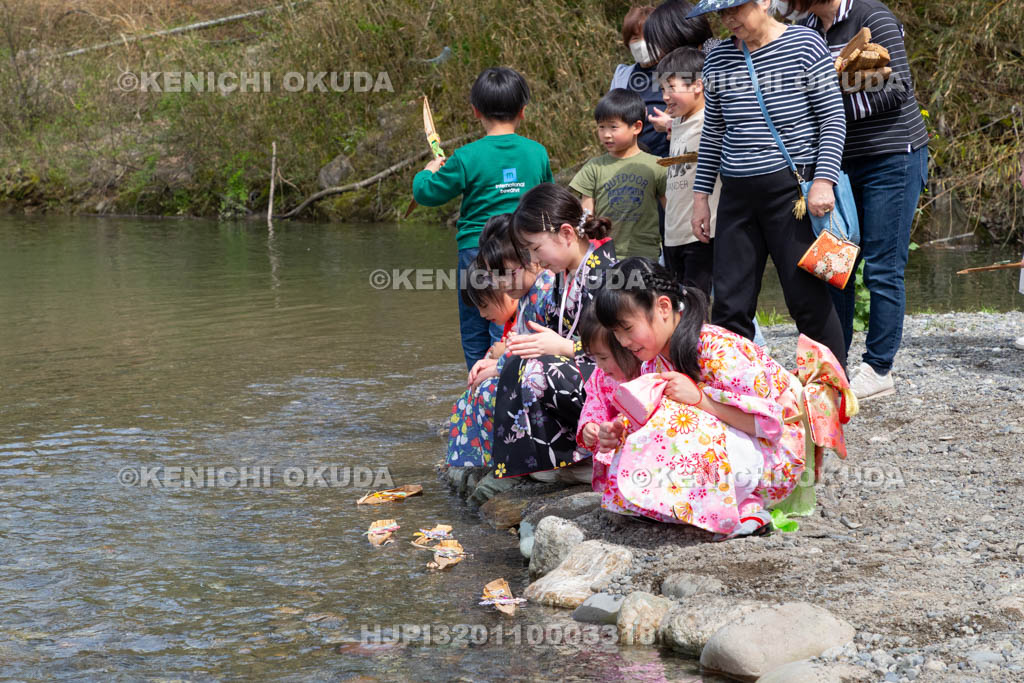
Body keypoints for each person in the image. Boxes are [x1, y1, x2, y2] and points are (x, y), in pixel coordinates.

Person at [593, 258, 807, 538]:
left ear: (663, 308)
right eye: (616, 333)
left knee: (677, 421)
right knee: (635, 441)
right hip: (733, 452)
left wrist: (699, 401)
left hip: (774, 459)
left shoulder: (716, 348)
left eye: (628, 329)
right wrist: (619, 430)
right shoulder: (651, 362)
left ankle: (747, 505)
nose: (622, 342)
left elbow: (771, 425)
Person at [780, 0, 928, 400]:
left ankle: (879, 367)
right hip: (837, 164)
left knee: (882, 266)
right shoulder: (807, 28)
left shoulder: (871, 16)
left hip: (892, 156)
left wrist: (831, 93)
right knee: (835, 260)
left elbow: (898, 88)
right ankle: (834, 363)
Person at [688, 0, 848, 367]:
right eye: (721, 14)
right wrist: (701, 198)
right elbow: (713, 132)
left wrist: (824, 180)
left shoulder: (804, 44)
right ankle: (737, 395)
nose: (728, 19)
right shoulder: (717, 59)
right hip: (737, 194)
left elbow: (832, 117)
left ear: (764, 2)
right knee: (729, 303)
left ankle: (832, 394)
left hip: (791, 193)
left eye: (735, 9)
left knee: (805, 299)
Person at [412, 67, 553, 371]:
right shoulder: (537, 153)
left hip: (475, 252)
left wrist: (428, 170)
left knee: (476, 322)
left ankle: (477, 387)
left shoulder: (466, 156)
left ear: (476, 112)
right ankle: (503, 382)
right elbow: (547, 202)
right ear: (523, 111)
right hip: (520, 254)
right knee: (509, 319)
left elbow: (426, 194)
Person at [491, 184, 617, 482]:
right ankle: (545, 459)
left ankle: (579, 456)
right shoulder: (565, 274)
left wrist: (565, 348)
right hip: (582, 365)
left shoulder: (609, 272)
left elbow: (621, 345)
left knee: (537, 370)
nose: (535, 259)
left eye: (536, 248)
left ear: (567, 234)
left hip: (609, 375)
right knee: (515, 366)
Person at [446, 215, 556, 468]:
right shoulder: (530, 293)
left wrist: (497, 367)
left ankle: (517, 461)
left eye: (504, 275)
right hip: (533, 372)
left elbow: (537, 348)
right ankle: (489, 462)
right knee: (472, 394)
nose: (501, 285)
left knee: (487, 391)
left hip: (545, 378)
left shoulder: (546, 288)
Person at [570, 89, 667, 260]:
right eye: (601, 127)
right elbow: (586, 214)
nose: (606, 135)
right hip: (603, 254)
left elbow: (671, 211)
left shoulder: (657, 166)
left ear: (636, 127)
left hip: (646, 254)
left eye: (613, 127)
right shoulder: (593, 168)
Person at [657, 47, 719, 297]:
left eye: (671, 88)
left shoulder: (711, 120)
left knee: (698, 306)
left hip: (702, 235)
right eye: (662, 89)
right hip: (673, 235)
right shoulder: (680, 123)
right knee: (677, 307)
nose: (665, 96)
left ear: (698, 86)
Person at [641, 0, 719, 138]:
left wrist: (671, 125)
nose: (661, 50)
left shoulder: (716, 58)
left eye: (660, 42)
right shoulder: (692, 60)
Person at [610, 5, 671, 157]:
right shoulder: (623, 76)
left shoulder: (676, 69)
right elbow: (609, 118)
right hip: (634, 162)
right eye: (635, 38)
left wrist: (671, 124)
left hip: (672, 158)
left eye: (648, 37)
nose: (642, 43)